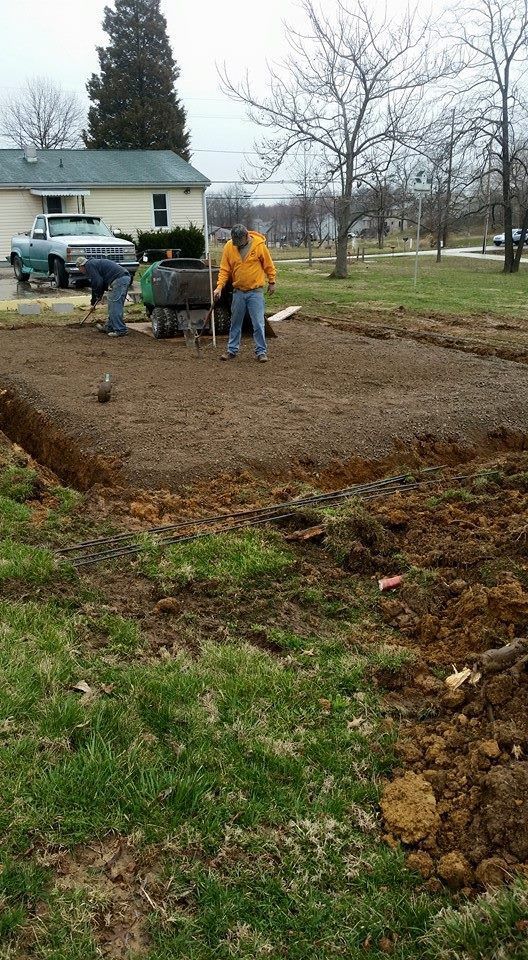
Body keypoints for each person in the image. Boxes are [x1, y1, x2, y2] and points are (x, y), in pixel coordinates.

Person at [213, 224, 276, 363]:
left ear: (246, 236)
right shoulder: (229, 246)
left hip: (255, 292)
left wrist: (272, 281)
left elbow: (268, 265)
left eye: (239, 243)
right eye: (235, 243)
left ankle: (261, 352)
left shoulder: (259, 246)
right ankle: (232, 350)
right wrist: (219, 287)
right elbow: (224, 270)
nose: (237, 246)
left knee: (258, 323)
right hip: (238, 292)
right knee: (235, 322)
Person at [76, 256, 131, 337]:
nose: (81, 272)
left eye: (79, 269)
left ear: (81, 266)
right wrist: (98, 297)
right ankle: (109, 327)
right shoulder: (94, 263)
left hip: (119, 279)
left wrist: (95, 299)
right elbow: (100, 282)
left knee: (114, 306)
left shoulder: (89, 265)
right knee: (113, 306)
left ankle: (121, 330)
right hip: (121, 278)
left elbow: (97, 282)